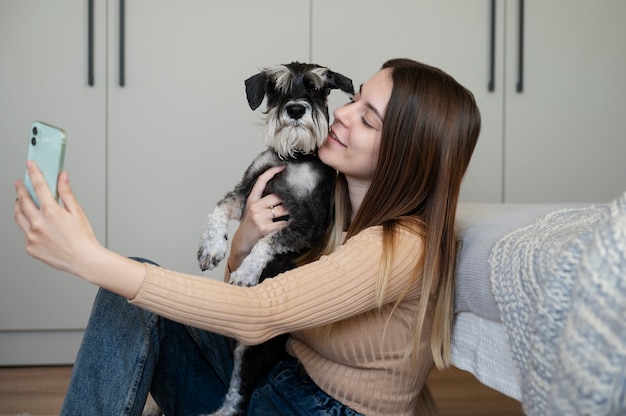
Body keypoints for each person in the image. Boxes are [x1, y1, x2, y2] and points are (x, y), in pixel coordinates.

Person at [14, 58, 481, 416]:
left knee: (125, 281)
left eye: (368, 119)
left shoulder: (400, 245)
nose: (341, 115)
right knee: (129, 302)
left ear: (405, 152)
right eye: (354, 99)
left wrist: (87, 258)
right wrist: (242, 243)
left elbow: (261, 313)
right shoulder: (327, 203)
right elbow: (257, 295)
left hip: (320, 408)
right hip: (272, 376)